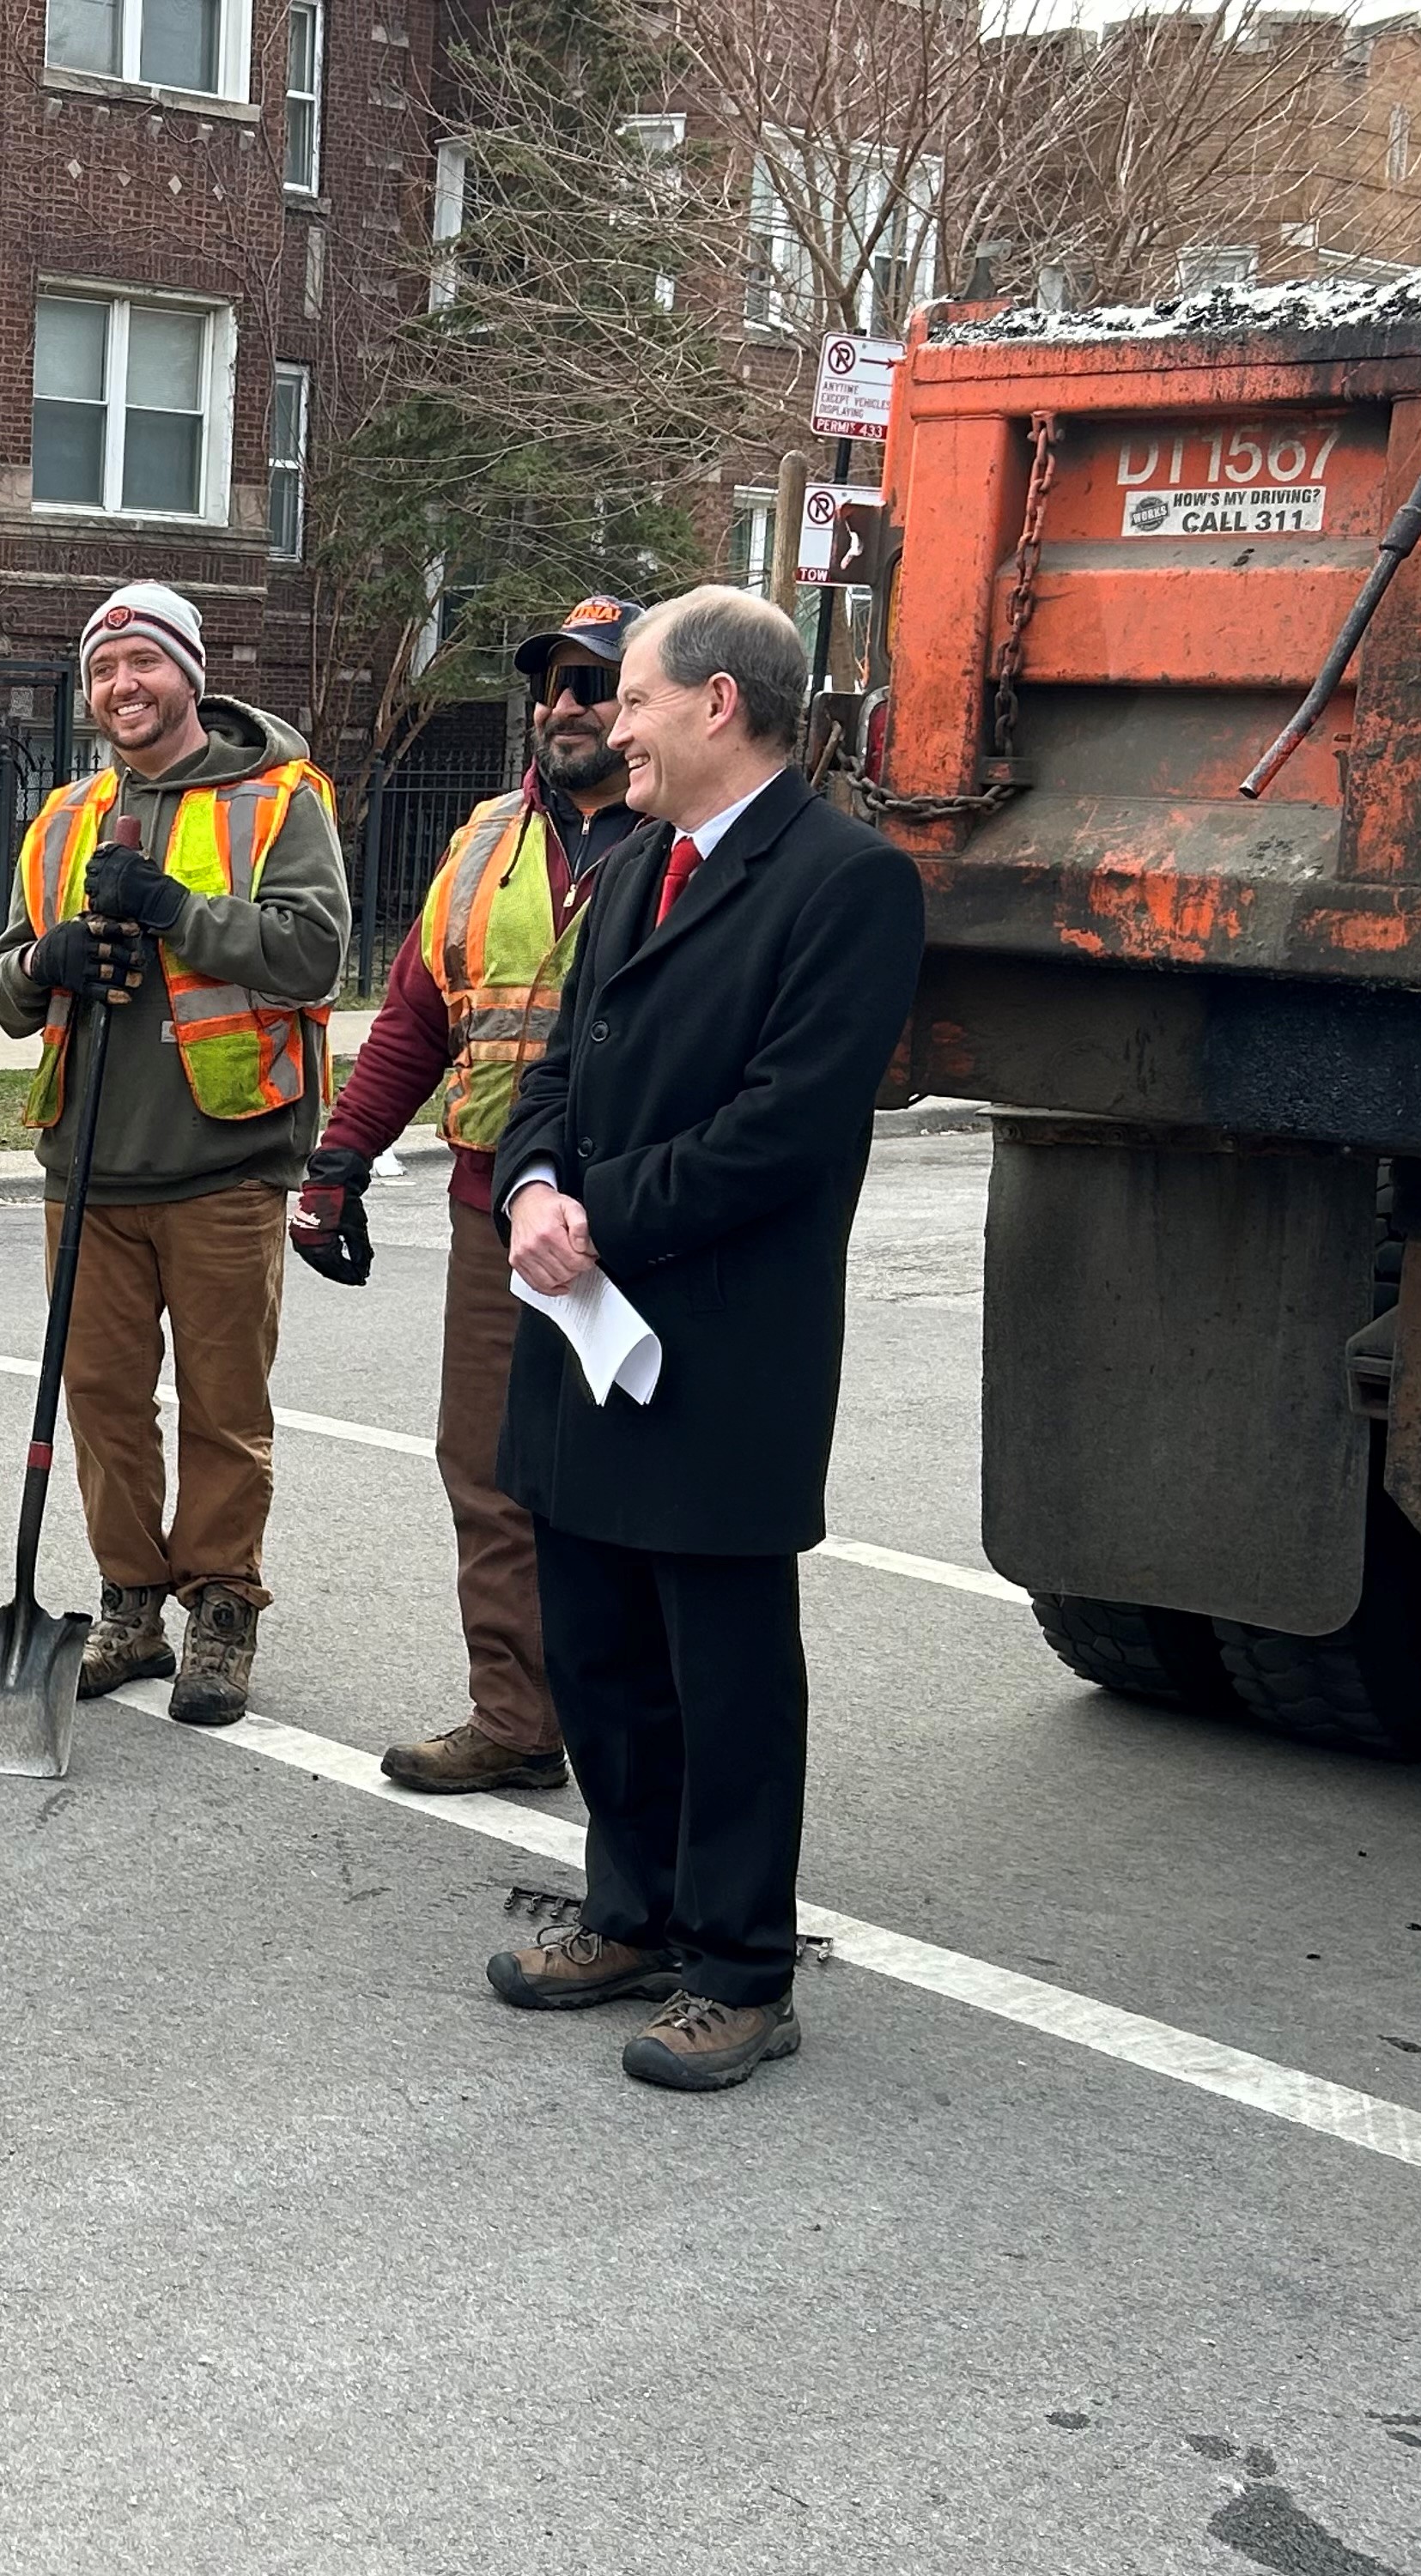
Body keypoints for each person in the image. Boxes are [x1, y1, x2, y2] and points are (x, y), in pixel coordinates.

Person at [482, 584, 924, 2094]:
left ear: (718, 705)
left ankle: (738, 1967)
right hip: (586, 1333)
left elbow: (785, 1134)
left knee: (723, 1675)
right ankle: (633, 1913)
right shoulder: (634, 866)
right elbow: (555, 1067)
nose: (613, 724)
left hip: (720, 1348)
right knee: (598, 1651)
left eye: (636, 699)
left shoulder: (847, 884)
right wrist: (532, 1185)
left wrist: (595, 1213)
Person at [291, 596, 647, 1793]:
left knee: (633, 1482)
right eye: (549, 685)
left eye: (592, 685)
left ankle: (639, 1725)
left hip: (642, 1211)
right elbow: (414, 1018)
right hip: (495, 1205)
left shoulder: (684, 835)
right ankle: (516, 1714)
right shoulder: (486, 840)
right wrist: (340, 1161)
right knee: (490, 1467)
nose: (564, 707)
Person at [0, 582, 349, 1728]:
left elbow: (315, 953)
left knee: (224, 1405)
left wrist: (177, 909)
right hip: (86, 1167)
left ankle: (222, 1608)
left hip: (225, 1160)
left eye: (143, 662)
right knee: (101, 1400)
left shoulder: (278, 801)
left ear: (189, 675)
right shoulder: (63, 817)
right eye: (103, 670)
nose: (123, 686)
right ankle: (131, 1605)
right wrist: (47, 962)